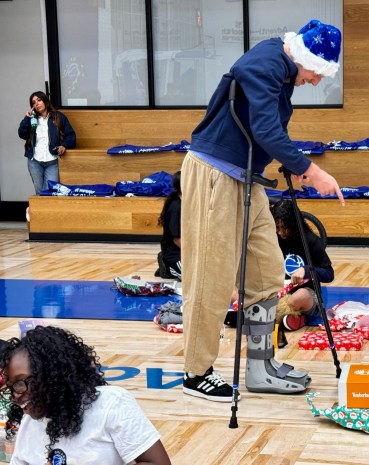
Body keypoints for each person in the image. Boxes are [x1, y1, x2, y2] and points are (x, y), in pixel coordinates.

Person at [181, 19, 344, 402]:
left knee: (267, 270)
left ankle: (259, 365)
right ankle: (196, 372)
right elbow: (268, 131)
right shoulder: (265, 63)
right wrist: (311, 169)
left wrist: (288, 162)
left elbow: (265, 133)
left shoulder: (282, 71)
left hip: (247, 177)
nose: (317, 82)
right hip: (215, 175)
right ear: (304, 55)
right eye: (317, 72)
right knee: (211, 276)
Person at [0, 326, 171, 465]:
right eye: (11, 388)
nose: (15, 396)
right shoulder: (29, 423)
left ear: (52, 375)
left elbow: (158, 462)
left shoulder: (111, 404)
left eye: (20, 383)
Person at [271, 199, 333, 346]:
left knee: (299, 296)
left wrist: (306, 270)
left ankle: (269, 316)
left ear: (293, 224)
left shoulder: (311, 240)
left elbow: (329, 274)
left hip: (307, 296)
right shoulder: (275, 239)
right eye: (277, 227)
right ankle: (293, 319)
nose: (280, 232)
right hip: (280, 292)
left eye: (284, 228)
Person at [18, 91, 76, 195]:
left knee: (51, 192)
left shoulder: (58, 117)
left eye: (39, 100)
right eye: (34, 102)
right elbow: (22, 135)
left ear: (45, 100)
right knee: (40, 192)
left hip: (52, 161)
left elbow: (71, 135)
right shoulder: (32, 119)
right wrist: (27, 118)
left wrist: (64, 146)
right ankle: (39, 212)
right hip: (34, 161)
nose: (36, 104)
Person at [155, 170, 182, 281]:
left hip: (189, 249)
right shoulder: (175, 207)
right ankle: (167, 265)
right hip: (175, 251)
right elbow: (177, 240)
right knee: (195, 279)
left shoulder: (192, 203)